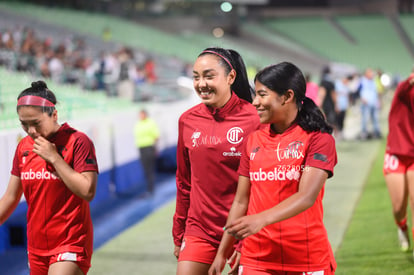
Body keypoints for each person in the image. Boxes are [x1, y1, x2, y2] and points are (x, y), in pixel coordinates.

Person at [209, 62, 337, 275]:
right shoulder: (253, 140)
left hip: (306, 259)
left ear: (287, 96)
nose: (255, 102)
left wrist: (260, 219)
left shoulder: (318, 140)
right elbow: (241, 201)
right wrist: (223, 252)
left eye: (262, 94)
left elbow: (306, 196)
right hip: (256, 259)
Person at [172, 47, 261, 275]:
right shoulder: (187, 121)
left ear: (231, 77)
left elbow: (263, 186)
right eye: (196, 77)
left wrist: (244, 240)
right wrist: (179, 231)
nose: (201, 84)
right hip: (199, 230)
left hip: (245, 229)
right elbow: (184, 183)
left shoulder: (255, 118)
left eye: (209, 76)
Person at [0, 80, 99, 275]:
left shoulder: (78, 142)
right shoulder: (24, 147)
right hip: (36, 246)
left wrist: (54, 158)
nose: (31, 131)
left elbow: (88, 191)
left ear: (54, 115)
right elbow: (11, 197)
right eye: (24, 124)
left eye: (36, 123)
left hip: (71, 241)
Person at [383, 71, 414, 256]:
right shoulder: (404, 90)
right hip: (396, 154)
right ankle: (401, 226)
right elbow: (406, 84)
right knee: (398, 207)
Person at [133, 109, 160, 195]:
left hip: (149, 147)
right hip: (141, 148)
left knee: (150, 169)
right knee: (145, 169)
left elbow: (156, 136)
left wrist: (155, 148)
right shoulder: (138, 124)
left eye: (142, 114)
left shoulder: (150, 123)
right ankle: (149, 188)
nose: (140, 116)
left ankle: (151, 189)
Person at [359, 68, 382, 139]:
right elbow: (359, 90)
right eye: (370, 73)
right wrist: (362, 98)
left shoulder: (374, 81)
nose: (371, 74)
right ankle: (364, 133)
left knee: (375, 118)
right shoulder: (362, 81)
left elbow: (377, 91)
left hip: (374, 102)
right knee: (365, 118)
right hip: (366, 103)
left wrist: (379, 101)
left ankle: (376, 132)